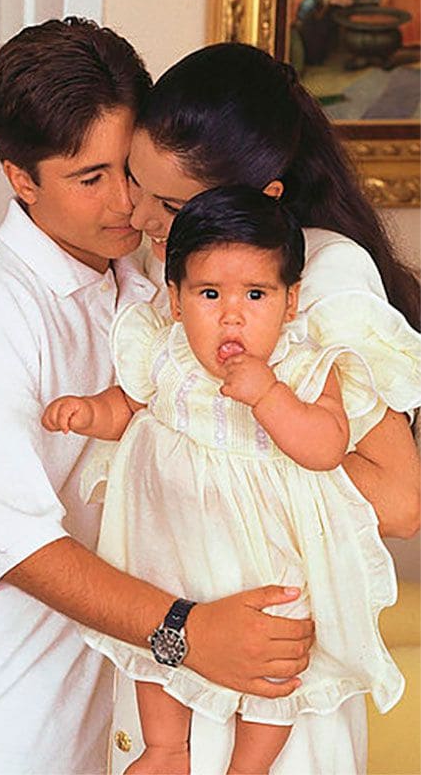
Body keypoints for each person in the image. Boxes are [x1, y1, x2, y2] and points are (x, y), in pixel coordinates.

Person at [0, 38, 419, 773]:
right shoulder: (120, 273)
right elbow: (25, 514)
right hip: (68, 673)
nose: (133, 210)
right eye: (103, 178)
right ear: (21, 179)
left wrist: (241, 427)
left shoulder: (303, 271)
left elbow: (399, 501)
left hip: (257, 650)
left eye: (154, 193)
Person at [43, 185, 418, 775]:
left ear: (291, 302)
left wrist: (269, 396)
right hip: (173, 549)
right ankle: (165, 748)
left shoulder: (303, 365)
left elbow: (324, 446)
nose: (232, 314)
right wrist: (90, 413)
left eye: (256, 294)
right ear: (175, 300)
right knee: (155, 647)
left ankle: (249, 766)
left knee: (278, 656)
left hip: (261, 556)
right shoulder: (168, 353)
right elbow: (133, 404)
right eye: (209, 294)